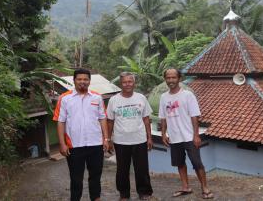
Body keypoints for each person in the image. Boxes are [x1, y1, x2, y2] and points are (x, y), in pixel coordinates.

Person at [53, 68, 110, 201]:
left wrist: (106, 139)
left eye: (85, 79)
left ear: (89, 81)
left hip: (96, 144)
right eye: (79, 79)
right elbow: (60, 122)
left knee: (95, 176)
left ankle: (96, 198)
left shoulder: (97, 97)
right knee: (76, 178)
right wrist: (62, 144)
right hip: (74, 145)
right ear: (74, 81)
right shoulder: (64, 98)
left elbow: (103, 118)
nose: (82, 82)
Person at [159, 68, 214, 199]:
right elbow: (163, 117)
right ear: (165, 79)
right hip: (174, 137)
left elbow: (194, 116)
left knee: (197, 163)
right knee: (180, 163)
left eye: (173, 77)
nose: (171, 80)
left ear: (179, 79)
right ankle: (185, 187)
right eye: (168, 78)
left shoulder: (188, 95)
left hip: (189, 136)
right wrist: (163, 134)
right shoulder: (163, 97)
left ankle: (205, 188)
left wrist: (196, 135)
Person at [107, 72, 154, 200]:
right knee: (122, 170)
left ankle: (144, 192)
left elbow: (146, 119)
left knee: (142, 169)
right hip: (121, 141)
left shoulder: (141, 98)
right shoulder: (113, 100)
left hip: (139, 139)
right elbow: (110, 121)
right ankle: (124, 194)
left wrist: (149, 137)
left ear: (134, 83)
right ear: (120, 84)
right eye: (124, 82)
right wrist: (108, 139)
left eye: (130, 81)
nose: (127, 84)